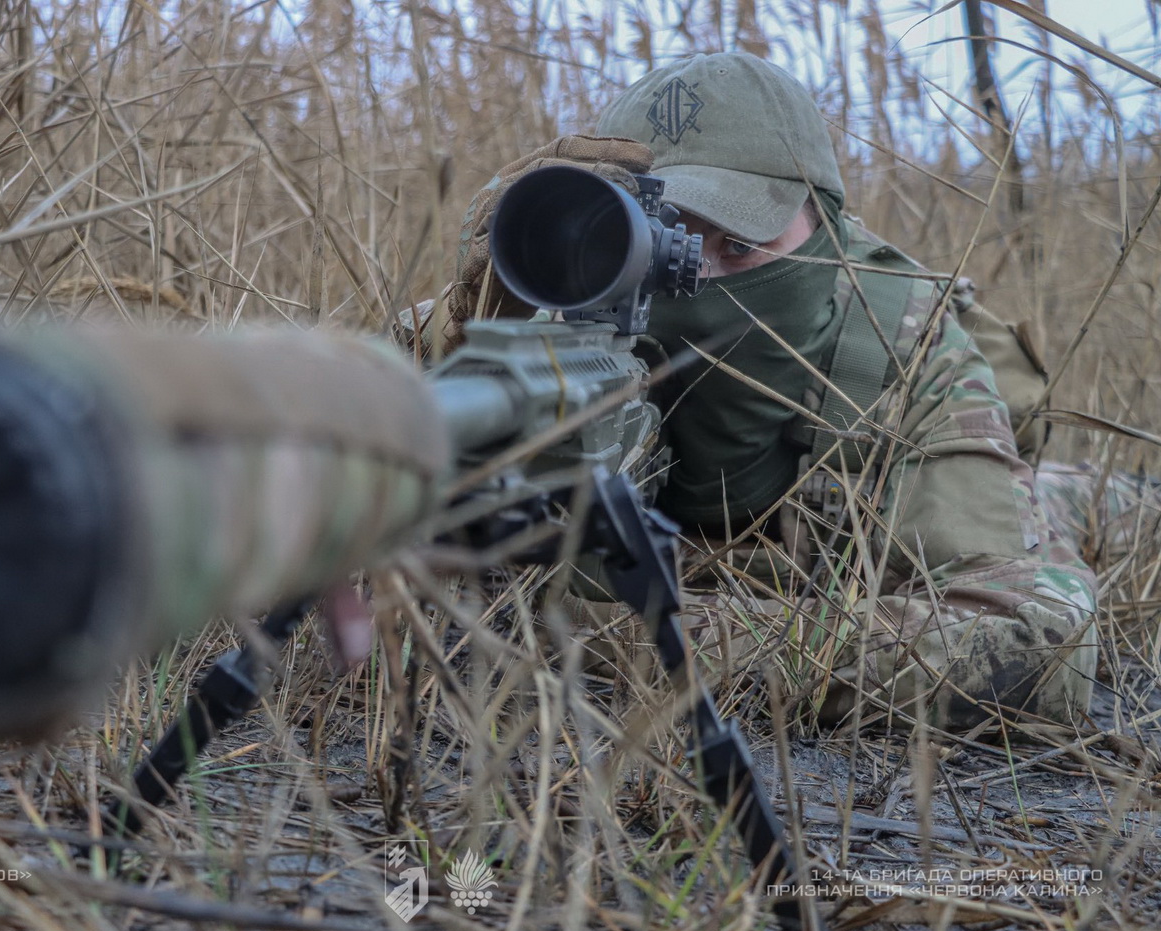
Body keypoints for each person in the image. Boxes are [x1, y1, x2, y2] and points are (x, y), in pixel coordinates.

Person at [405, 51, 1137, 729]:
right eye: (663, 240)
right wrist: (466, 332)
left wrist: (633, 634)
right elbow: (343, 398)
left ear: (827, 229)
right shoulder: (550, 296)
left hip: (935, 489)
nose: (697, 278)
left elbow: (1041, 643)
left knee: (1109, 504)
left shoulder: (903, 343)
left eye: (741, 245)